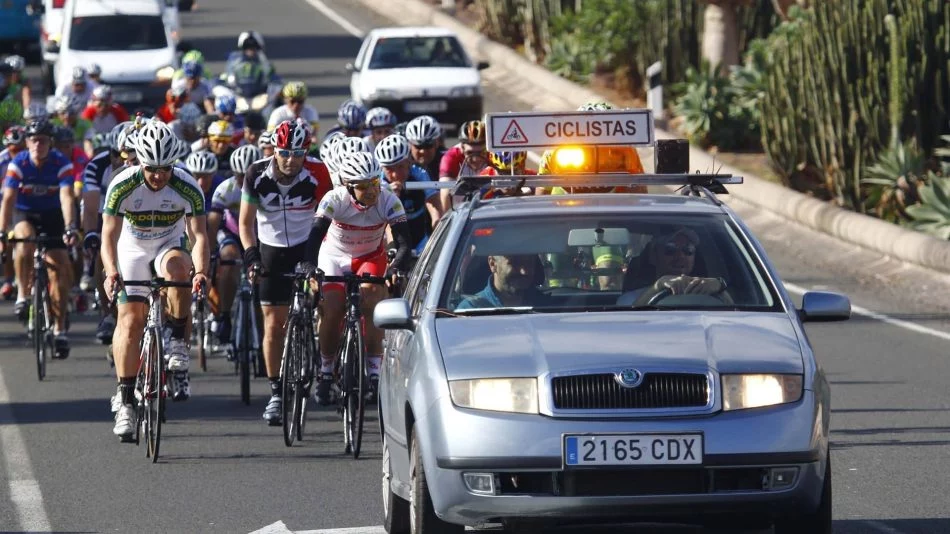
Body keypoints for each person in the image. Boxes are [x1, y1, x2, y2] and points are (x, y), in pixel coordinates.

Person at [102, 121, 210, 438]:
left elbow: (200, 235)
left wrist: (201, 272)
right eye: (151, 169)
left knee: (179, 272)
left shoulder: (187, 186)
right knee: (130, 320)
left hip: (169, 244)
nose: (158, 176)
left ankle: (177, 340)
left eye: (165, 168)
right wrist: (111, 273)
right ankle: (125, 402)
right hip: (132, 247)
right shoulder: (122, 184)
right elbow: (109, 235)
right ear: (139, 161)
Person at [239, 120, 332, 425]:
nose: (290, 160)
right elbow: (244, 222)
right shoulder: (256, 173)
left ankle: (325, 360)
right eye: (284, 153)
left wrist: (319, 261)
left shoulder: (318, 172)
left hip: (308, 247)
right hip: (271, 251)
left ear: (307, 151)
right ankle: (277, 392)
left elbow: (329, 220)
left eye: (297, 153)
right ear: (274, 150)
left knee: (329, 303)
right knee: (273, 323)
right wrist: (252, 258)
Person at [309, 152, 412, 406]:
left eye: (375, 183)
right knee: (332, 307)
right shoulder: (334, 199)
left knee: (373, 299)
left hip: (369, 256)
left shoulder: (389, 201)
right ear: (348, 186)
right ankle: (325, 371)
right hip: (334, 256)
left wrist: (395, 266)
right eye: (363, 186)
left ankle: (374, 371)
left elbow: (403, 243)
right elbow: (314, 235)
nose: (371, 191)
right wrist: (308, 265)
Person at [0, 119, 79, 357]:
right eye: (34, 140)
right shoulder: (19, 162)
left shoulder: (61, 162)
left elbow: (66, 197)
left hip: (54, 215)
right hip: (25, 213)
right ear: (27, 143)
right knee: (24, 240)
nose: (38, 145)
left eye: (43, 140)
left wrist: (70, 227)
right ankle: (23, 295)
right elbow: (8, 199)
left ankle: (59, 328)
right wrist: (2, 232)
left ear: (50, 143)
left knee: (60, 268)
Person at [208, 144, 262, 344]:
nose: (243, 181)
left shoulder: (266, 186)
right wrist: (211, 253)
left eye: (247, 175)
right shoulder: (225, 188)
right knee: (229, 258)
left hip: (258, 234)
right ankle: (224, 315)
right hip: (231, 232)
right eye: (239, 176)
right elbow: (213, 223)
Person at [81, 122, 128, 343]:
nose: (120, 159)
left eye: (127, 154)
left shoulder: (147, 167)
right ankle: (108, 314)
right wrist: (90, 232)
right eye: (115, 154)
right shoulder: (96, 167)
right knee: (102, 254)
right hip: (104, 214)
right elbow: (90, 207)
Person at [616, 227, 728, 306]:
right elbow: (629, 322)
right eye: (670, 249)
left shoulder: (708, 293)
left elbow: (738, 315)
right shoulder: (630, 299)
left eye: (688, 250)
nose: (680, 256)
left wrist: (720, 287)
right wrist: (657, 287)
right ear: (654, 256)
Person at [375, 134, 441, 255]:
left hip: (420, 238)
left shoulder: (419, 174)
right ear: (382, 168)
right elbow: (384, 222)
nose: (395, 174)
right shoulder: (379, 181)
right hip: (389, 237)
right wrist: (391, 197)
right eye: (389, 169)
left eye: (400, 166)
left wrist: (438, 230)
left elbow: (434, 206)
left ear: (409, 162)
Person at [458, 254, 548, 309]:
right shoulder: (471, 310)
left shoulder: (546, 307)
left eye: (529, 263)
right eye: (514, 263)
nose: (524, 271)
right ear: (492, 264)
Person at [439, 119, 490, 210]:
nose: (476, 159)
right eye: (470, 153)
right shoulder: (451, 157)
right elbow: (445, 194)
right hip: (462, 209)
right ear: (462, 147)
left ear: (488, 147)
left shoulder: (494, 155)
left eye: (481, 153)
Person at [0, 125, 26, 300]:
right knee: (7, 242)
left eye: (20, 149)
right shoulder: (2, 160)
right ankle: (8, 280)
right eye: (13, 150)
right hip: (5, 202)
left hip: (26, 204)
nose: (16, 153)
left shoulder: (32, 157)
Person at [219, 31, 279, 102]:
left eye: (253, 47)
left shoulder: (262, 61)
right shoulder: (235, 62)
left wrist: (272, 79)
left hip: (259, 95)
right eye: (247, 47)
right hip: (238, 94)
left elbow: (269, 73)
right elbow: (229, 73)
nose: (250, 50)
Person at [405, 115, 445, 183]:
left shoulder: (447, 159)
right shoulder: (401, 164)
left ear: (437, 143)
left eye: (428, 146)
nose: (423, 151)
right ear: (410, 145)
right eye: (418, 146)